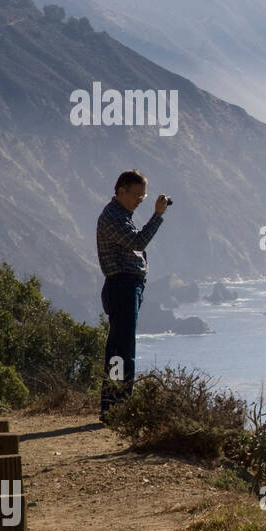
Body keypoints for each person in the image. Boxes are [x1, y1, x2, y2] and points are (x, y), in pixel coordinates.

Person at [96, 170, 171, 419]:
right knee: (122, 350)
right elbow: (138, 242)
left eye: (143, 195)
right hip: (122, 287)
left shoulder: (122, 215)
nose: (140, 200)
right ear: (121, 191)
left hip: (127, 287)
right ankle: (118, 406)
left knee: (119, 348)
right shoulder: (113, 217)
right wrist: (157, 216)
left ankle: (114, 404)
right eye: (137, 195)